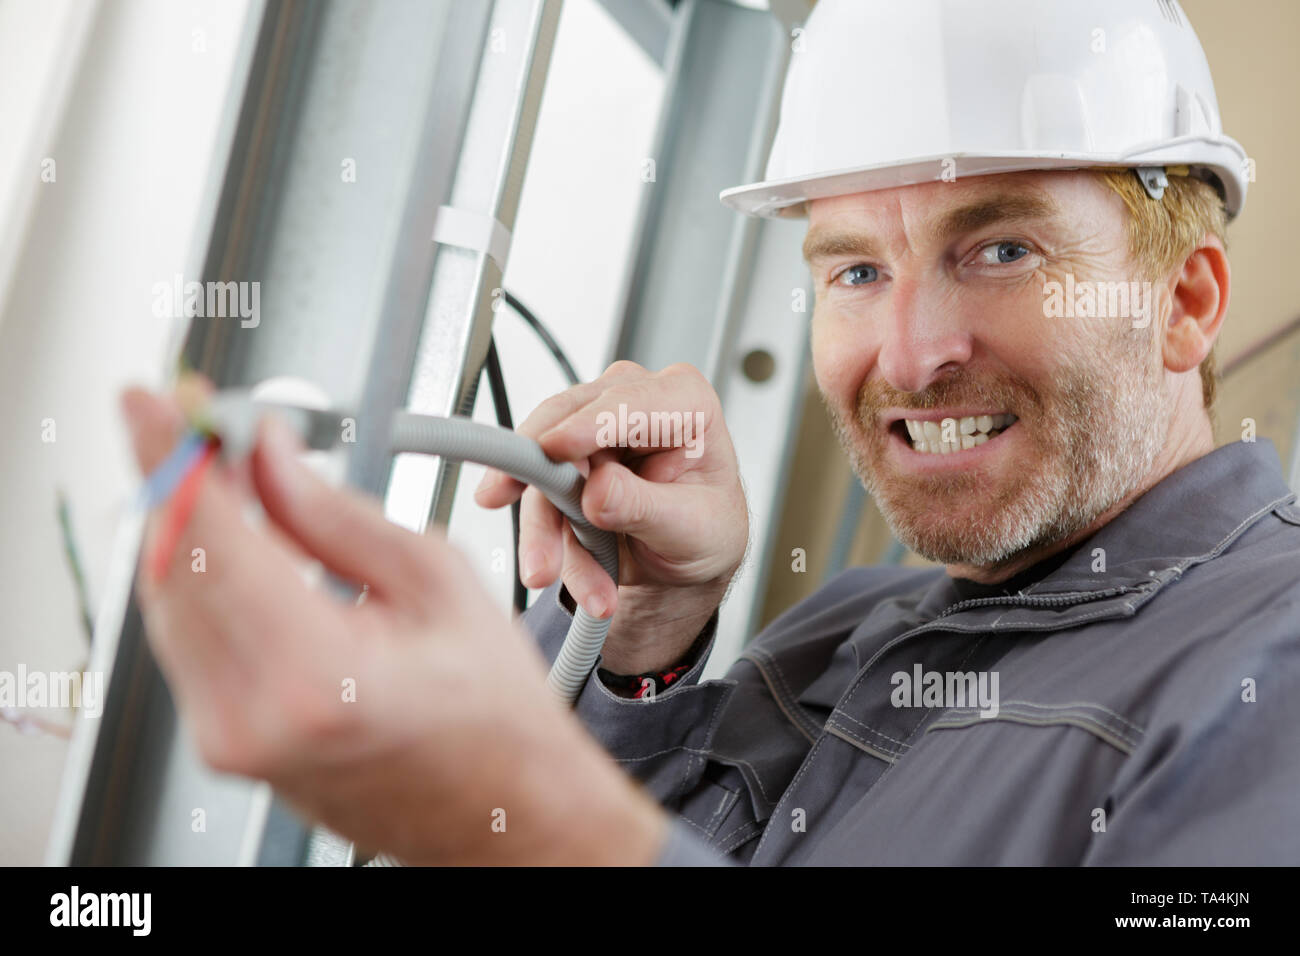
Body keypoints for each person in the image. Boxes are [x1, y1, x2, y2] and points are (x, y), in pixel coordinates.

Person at [120, 0, 1300, 865]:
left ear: (1183, 302)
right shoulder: (854, 623)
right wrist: (646, 640)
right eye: (852, 267)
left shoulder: (1266, 672)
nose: (906, 352)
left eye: (1002, 250)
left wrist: (524, 805)